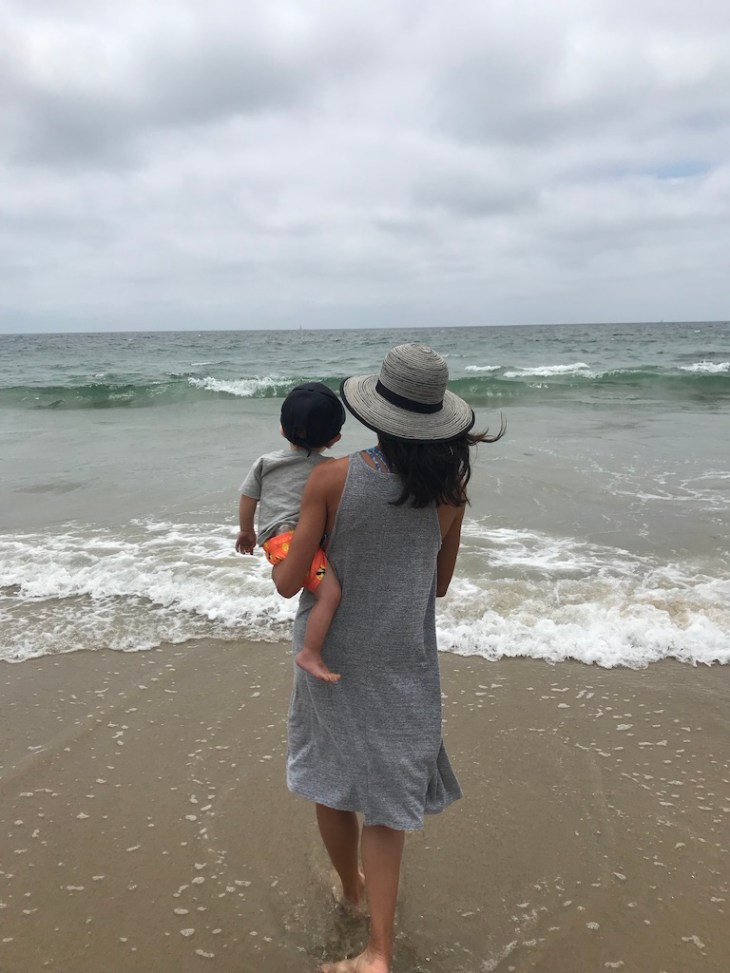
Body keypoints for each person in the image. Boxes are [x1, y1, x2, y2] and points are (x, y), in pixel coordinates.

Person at [271, 343, 504, 973]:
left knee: (331, 779)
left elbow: (289, 583)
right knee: (387, 805)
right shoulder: (451, 492)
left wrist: (280, 547)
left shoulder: (330, 479)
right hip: (404, 658)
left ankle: (353, 897)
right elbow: (439, 585)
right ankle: (377, 948)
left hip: (330, 655)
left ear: (376, 413)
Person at [236, 382, 346, 682]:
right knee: (330, 593)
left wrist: (246, 531)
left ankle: (285, 571)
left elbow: (248, 497)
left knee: (311, 579)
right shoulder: (332, 469)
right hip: (294, 543)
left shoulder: (266, 463)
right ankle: (310, 652)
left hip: (275, 541)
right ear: (335, 439)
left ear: (282, 429)